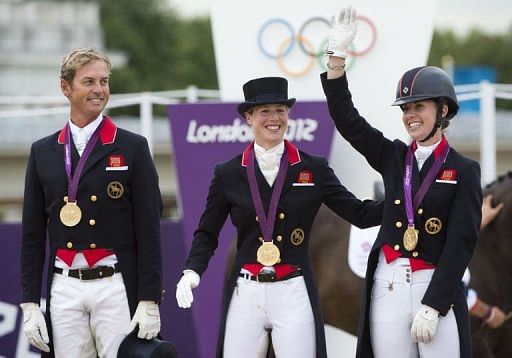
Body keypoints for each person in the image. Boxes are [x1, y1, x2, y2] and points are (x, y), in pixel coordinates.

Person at [175, 76, 383, 358]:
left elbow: (358, 213)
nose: (274, 118)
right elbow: (208, 232)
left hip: (293, 288)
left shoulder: (314, 168)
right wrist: (192, 270)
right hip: (246, 290)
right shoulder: (228, 173)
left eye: (280, 111)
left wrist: (400, 202)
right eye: (265, 111)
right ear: (249, 117)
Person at [321, 8, 483, 358]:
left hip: (435, 287)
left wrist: (434, 303)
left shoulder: (465, 170)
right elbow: (347, 121)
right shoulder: (393, 157)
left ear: (443, 111)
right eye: (405, 109)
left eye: (419, 107)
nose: (410, 115)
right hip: (388, 285)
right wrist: (336, 59)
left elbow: (461, 244)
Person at [20, 48, 163, 357]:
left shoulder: (132, 147)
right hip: (64, 286)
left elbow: (150, 228)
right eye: (88, 82)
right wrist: (30, 302)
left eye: (104, 81)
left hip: (114, 284)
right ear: (65, 87)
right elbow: (32, 234)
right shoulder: (43, 151)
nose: (99, 90)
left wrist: (149, 298)